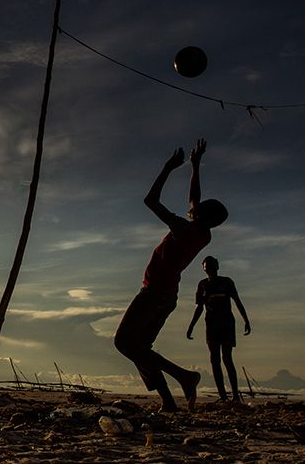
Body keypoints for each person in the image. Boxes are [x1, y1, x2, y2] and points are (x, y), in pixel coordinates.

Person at [114, 138, 229, 412]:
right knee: (141, 347)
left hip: (154, 292)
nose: (194, 206)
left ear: (201, 214)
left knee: (123, 343)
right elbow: (194, 199)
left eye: (199, 208)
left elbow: (150, 200)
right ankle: (168, 401)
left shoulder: (182, 228)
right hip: (168, 296)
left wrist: (167, 168)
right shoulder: (203, 234)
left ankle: (184, 376)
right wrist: (195, 165)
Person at [186, 256, 251, 402]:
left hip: (227, 323)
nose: (209, 269)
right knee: (214, 360)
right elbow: (199, 308)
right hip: (211, 325)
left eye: (211, 266)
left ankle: (235, 396)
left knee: (227, 358)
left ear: (217, 266)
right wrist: (191, 326)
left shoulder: (226, 282)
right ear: (204, 268)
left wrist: (246, 320)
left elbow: (237, 301)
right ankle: (223, 396)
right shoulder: (202, 285)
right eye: (207, 266)